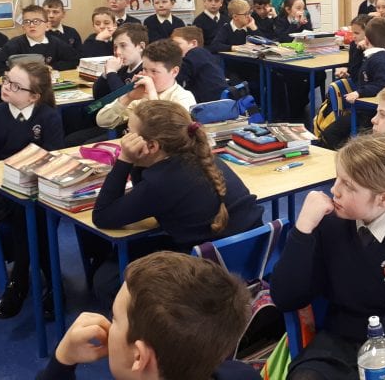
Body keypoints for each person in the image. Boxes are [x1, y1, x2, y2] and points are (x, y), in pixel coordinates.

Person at [270, 133, 385, 380]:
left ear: (384, 199)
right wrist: (303, 230)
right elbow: (286, 298)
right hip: (341, 341)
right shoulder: (332, 222)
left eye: (348, 186)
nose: (334, 190)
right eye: (337, 178)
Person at [91, 100, 263, 303]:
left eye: (129, 133)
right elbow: (143, 193)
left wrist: (125, 159)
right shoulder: (205, 158)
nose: (125, 138)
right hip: (250, 258)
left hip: (208, 275)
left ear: (152, 146)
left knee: (106, 281)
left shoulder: (161, 182)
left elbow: (102, 215)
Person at [38, 251, 258, 380]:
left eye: (115, 318)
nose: (107, 324)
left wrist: (62, 361)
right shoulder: (243, 374)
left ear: (139, 357)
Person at [0, 60, 64, 320]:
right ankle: (50, 282)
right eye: (6, 80)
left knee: (38, 214)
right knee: (26, 215)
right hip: (2, 190)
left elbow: (54, 160)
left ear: (33, 96)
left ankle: (19, 281)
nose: (6, 87)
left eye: (15, 86)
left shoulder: (48, 117)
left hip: (42, 191)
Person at [66, 23, 149, 146]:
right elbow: (98, 94)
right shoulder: (121, 68)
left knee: (86, 144)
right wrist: (105, 74)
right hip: (109, 119)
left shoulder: (145, 71)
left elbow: (124, 97)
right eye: (115, 47)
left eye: (123, 46)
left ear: (141, 46)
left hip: (125, 126)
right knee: (71, 137)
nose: (118, 52)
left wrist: (111, 73)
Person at [320, 18, 385, 150]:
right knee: (331, 133)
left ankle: (345, 156)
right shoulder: (372, 57)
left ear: (366, 40)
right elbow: (355, 71)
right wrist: (359, 50)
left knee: (330, 134)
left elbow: (383, 85)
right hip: (363, 110)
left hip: (368, 113)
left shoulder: (380, 61)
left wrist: (359, 92)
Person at [95, 39, 196, 131]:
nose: (147, 76)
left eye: (154, 71)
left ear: (174, 72)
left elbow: (167, 133)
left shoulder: (183, 97)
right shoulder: (139, 93)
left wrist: (152, 95)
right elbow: (102, 122)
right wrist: (127, 98)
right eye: (144, 69)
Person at [0, 5, 78, 74]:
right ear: (23, 27)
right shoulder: (14, 44)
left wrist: (52, 67)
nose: (31, 25)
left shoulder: (55, 42)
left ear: (47, 26)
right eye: (27, 22)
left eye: (36, 21)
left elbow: (74, 60)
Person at [172, 26, 228, 103]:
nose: (174, 48)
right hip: (220, 99)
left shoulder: (195, 53)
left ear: (194, 43)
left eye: (177, 44)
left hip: (209, 103)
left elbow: (177, 77)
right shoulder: (205, 54)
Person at [334, 14, 371, 84]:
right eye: (352, 33)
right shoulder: (353, 44)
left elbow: (366, 75)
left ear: (368, 33)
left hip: (366, 85)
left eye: (357, 33)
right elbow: (352, 68)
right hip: (356, 81)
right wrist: (346, 71)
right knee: (334, 86)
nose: (353, 36)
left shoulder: (372, 48)